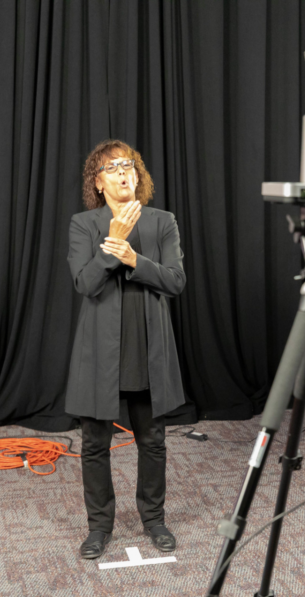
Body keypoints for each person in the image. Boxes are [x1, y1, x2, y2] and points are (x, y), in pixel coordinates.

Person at [66, 140, 186, 560]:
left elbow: (175, 281)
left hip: (147, 348)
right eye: (112, 167)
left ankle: (154, 519)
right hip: (100, 352)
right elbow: (85, 283)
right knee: (94, 444)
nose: (122, 172)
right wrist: (111, 245)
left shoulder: (161, 221)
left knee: (152, 441)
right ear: (98, 183)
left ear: (138, 175)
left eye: (129, 165)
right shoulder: (84, 225)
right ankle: (99, 527)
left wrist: (134, 257)